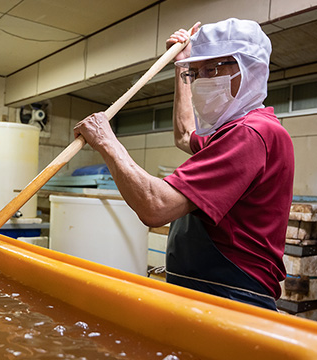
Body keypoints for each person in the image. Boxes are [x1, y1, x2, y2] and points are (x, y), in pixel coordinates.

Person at [73, 18, 294, 310]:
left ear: (248, 67)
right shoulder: (233, 133)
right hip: (205, 291)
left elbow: (157, 206)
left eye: (211, 70)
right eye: (195, 73)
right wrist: (182, 65)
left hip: (232, 297)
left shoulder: (251, 133)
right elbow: (184, 135)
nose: (201, 81)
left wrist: (106, 141)